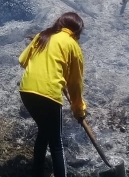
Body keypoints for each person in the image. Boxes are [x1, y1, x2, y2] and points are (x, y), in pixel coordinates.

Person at [18, 12, 86, 177]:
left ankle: (37, 172)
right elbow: (75, 84)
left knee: (44, 130)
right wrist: (79, 111)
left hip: (26, 90)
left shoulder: (43, 36)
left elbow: (22, 60)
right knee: (57, 143)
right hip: (49, 94)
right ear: (76, 32)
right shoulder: (73, 46)